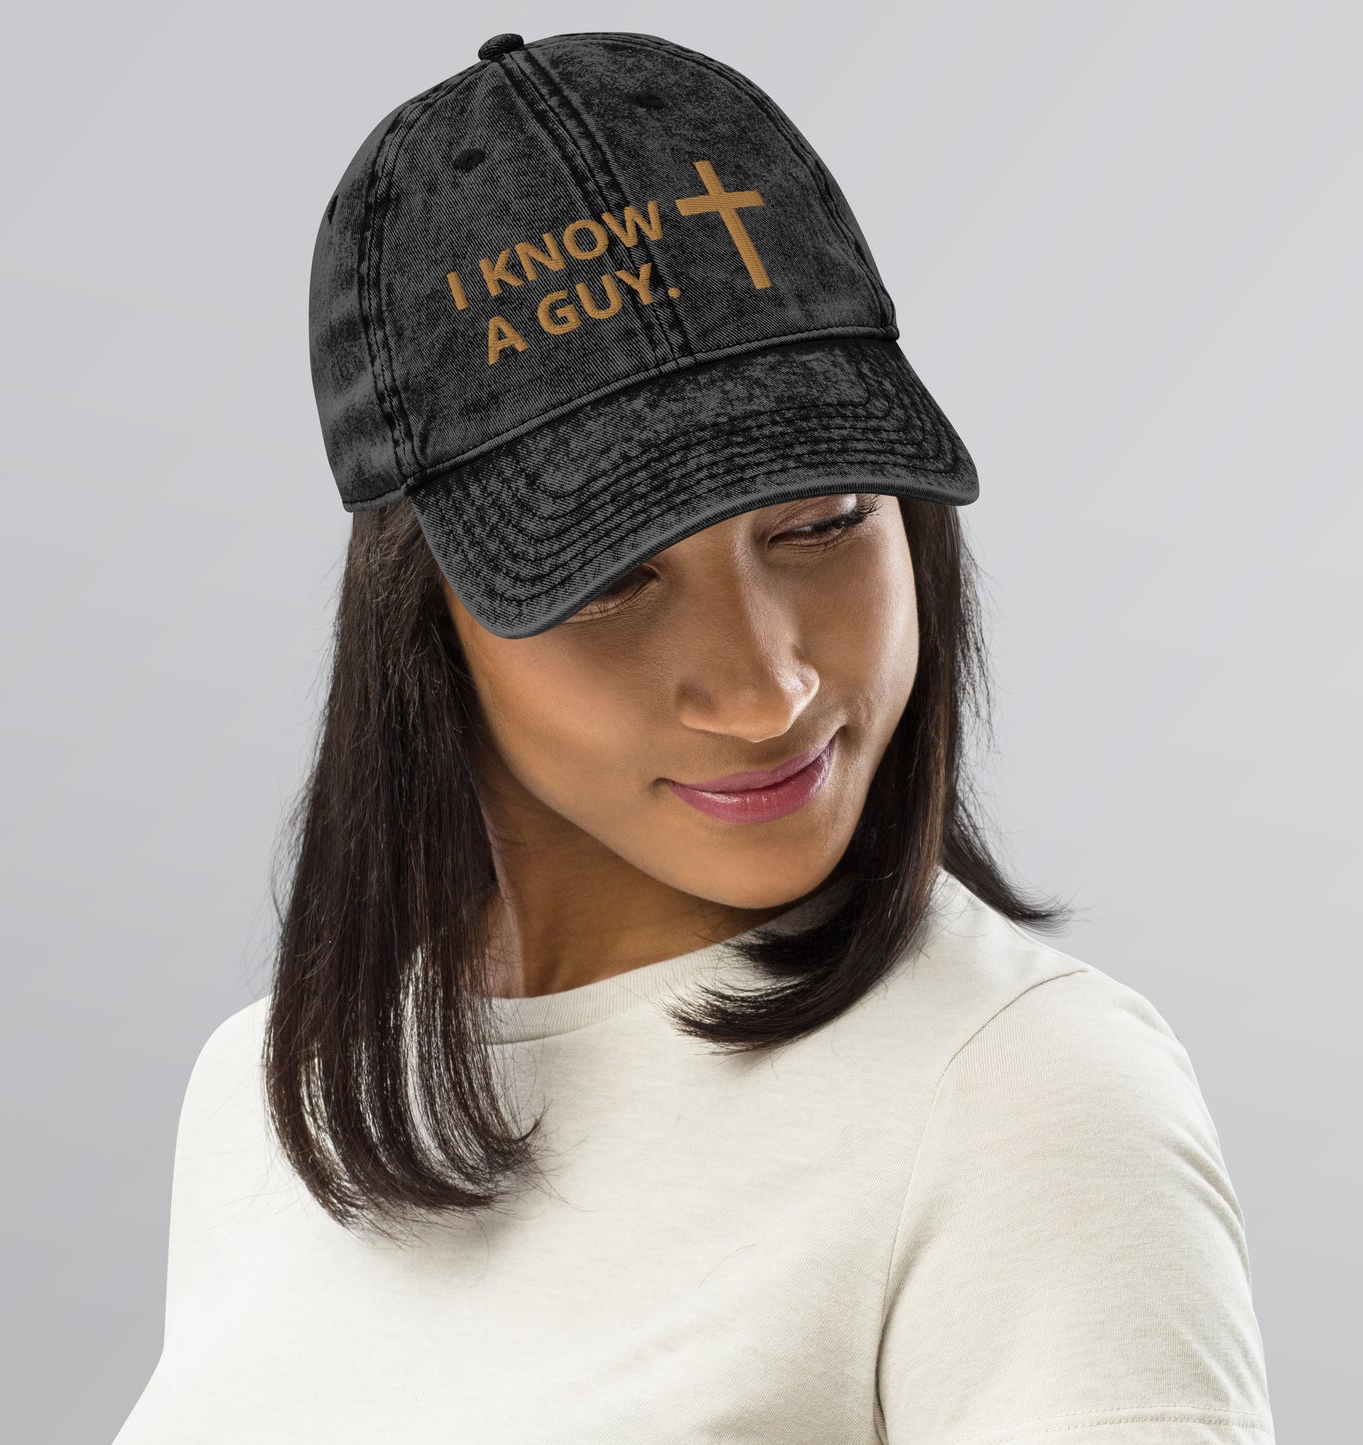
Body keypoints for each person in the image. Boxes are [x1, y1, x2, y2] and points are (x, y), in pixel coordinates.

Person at [113, 30, 1276, 1445]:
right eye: (612, 577)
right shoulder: (276, 1097)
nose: (765, 687)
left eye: (821, 523)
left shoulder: (1019, 1097)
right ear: (423, 618)